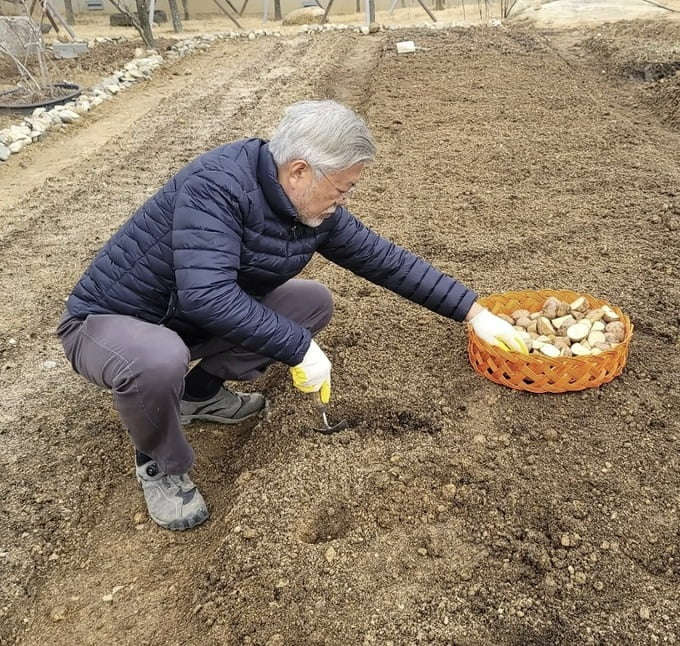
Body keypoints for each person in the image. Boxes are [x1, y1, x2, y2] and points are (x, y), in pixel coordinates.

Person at [57, 100, 526, 531]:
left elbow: (385, 260)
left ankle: (197, 397)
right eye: (342, 188)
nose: (344, 199)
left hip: (185, 322)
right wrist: (299, 349)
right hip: (111, 325)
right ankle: (160, 463)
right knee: (158, 359)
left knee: (310, 303)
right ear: (300, 171)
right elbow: (207, 295)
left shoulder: (310, 209)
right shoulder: (216, 187)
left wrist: (473, 311)